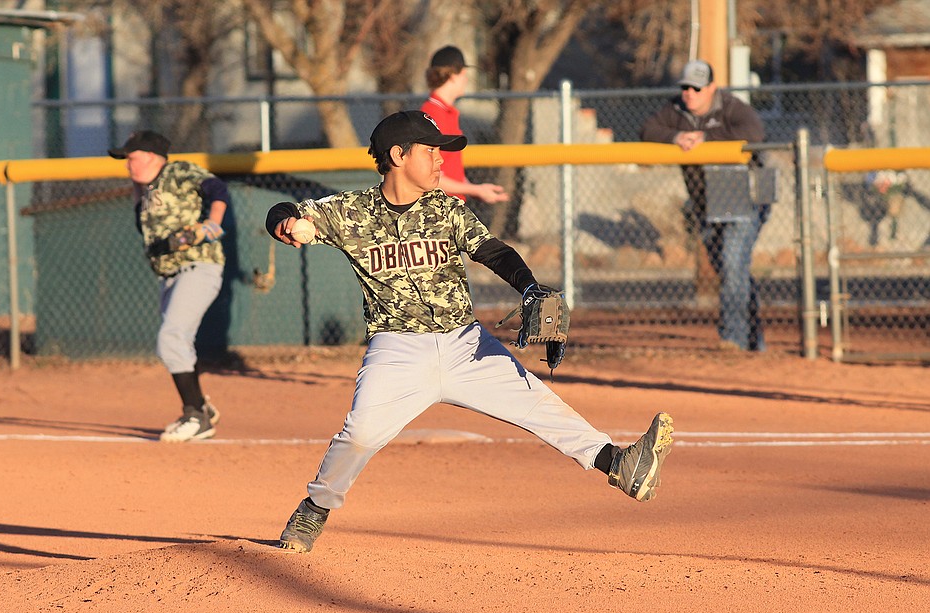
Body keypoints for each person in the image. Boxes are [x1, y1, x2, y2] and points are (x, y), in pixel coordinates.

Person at [264, 110, 674, 553]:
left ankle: (621, 464)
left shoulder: (445, 208)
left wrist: (530, 286)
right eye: (431, 150)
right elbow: (281, 210)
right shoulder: (351, 212)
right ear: (398, 155)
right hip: (397, 349)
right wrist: (286, 222)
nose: (441, 160)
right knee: (360, 432)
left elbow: (493, 252)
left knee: (537, 403)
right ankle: (315, 509)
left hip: (466, 344)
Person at [640, 59, 769, 351]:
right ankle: (753, 340)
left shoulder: (731, 107)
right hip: (707, 204)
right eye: (685, 87)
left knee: (733, 263)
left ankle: (733, 339)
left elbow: (755, 132)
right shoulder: (676, 111)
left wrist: (705, 138)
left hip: (745, 199)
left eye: (697, 88)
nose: (690, 93)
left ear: (712, 88)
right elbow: (647, 129)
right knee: (731, 271)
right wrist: (676, 136)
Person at [108, 130, 228, 442]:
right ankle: (200, 407)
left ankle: (195, 415)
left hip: (197, 266)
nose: (127, 165)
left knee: (171, 338)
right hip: (170, 275)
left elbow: (216, 188)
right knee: (178, 340)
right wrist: (139, 191)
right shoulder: (146, 191)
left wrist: (212, 223)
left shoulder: (175, 172)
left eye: (131, 158)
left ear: (150, 156)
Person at [420, 45, 510, 204]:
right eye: (463, 74)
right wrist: (475, 189)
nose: (466, 79)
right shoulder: (432, 114)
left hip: (452, 207)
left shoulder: (448, 112)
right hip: (436, 211)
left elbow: (452, 171)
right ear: (453, 75)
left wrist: (479, 190)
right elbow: (430, 177)